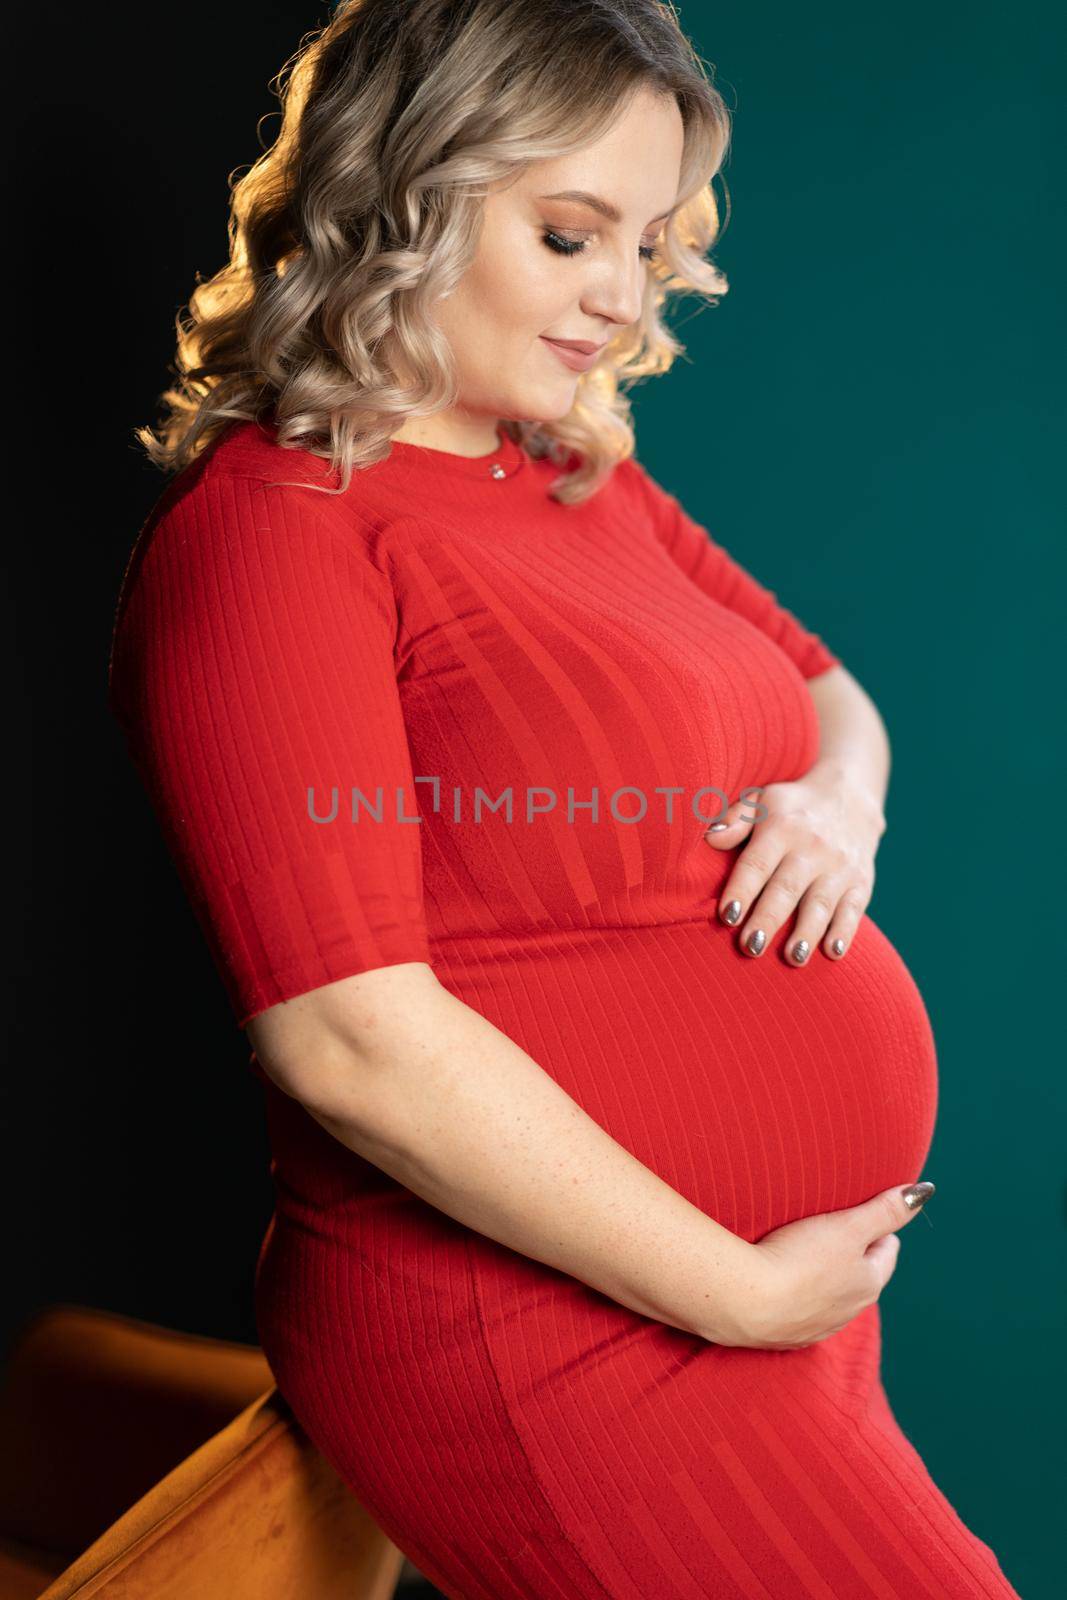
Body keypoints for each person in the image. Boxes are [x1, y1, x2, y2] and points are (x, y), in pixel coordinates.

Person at [107, 2, 1021, 1596]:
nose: (621, 294)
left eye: (649, 242)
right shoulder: (274, 535)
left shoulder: (566, 471)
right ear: (403, 189)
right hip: (550, 1339)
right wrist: (730, 1290)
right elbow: (347, 1036)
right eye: (568, 232)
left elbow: (832, 696)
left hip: (762, 1310)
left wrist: (837, 809)